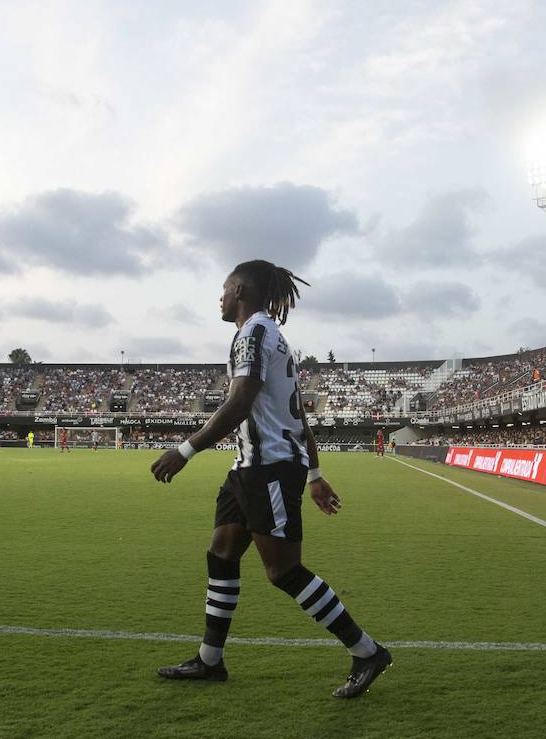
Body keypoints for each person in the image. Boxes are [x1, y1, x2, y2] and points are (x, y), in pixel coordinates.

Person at [150, 259, 391, 699]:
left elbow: (241, 403)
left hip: (270, 469)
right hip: (248, 468)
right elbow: (296, 413)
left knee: (283, 571)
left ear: (240, 289)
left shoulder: (255, 333)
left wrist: (184, 451)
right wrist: (316, 473)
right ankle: (210, 660)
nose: (220, 298)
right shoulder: (268, 337)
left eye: (224, 289)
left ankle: (366, 651)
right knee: (222, 553)